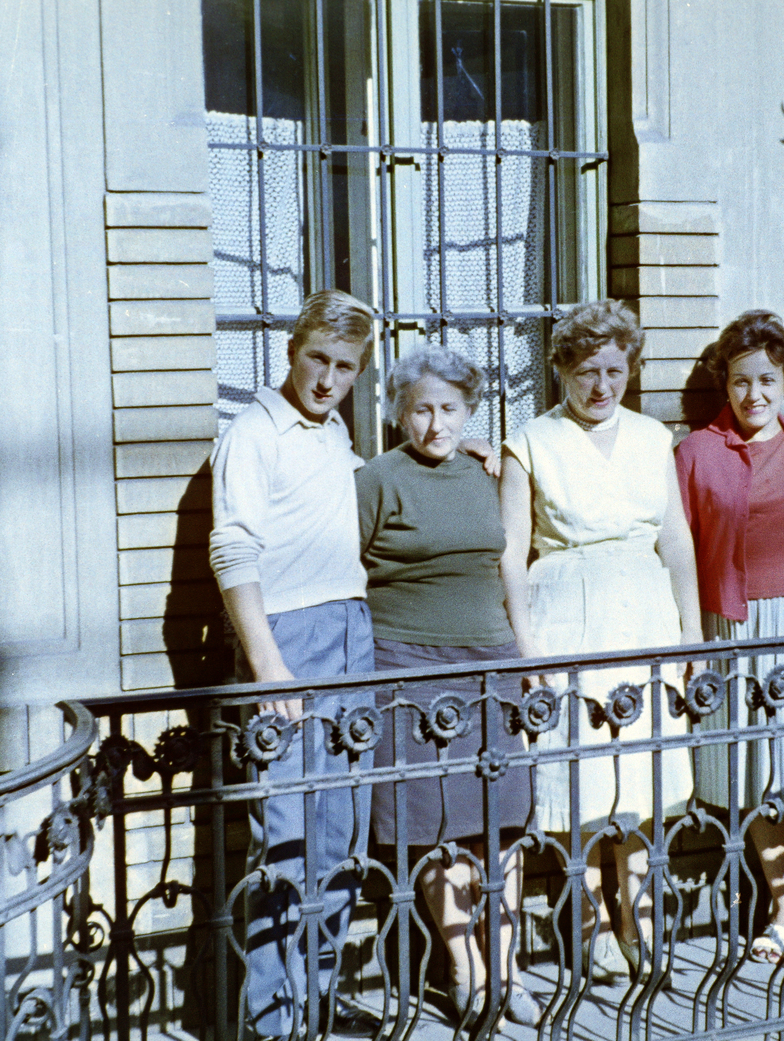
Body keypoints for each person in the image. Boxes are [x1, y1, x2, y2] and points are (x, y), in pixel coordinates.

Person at [498, 299, 701, 983]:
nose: (601, 386)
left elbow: (675, 539)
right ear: (561, 370)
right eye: (586, 371)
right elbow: (510, 552)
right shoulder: (531, 441)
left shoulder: (652, 437)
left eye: (614, 370)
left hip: (643, 615)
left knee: (640, 777)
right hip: (567, 616)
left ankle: (639, 920)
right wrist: (526, 649)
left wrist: (692, 631)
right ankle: (590, 928)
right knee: (580, 778)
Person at [208, 288, 381, 1038]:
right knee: (287, 834)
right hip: (288, 640)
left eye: (344, 367)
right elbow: (233, 549)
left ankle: (319, 990)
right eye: (317, 359)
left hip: (352, 629)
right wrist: (270, 665)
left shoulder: (335, 431)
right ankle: (271, 1019)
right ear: (291, 351)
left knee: (341, 827)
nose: (326, 379)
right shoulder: (253, 431)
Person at [356, 345, 540, 1026]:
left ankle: (509, 966)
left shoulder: (485, 473)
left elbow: (512, 557)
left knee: (501, 823)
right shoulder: (376, 479)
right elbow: (347, 571)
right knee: (435, 825)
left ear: (471, 411)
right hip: (407, 667)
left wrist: (522, 653)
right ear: (399, 414)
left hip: (490, 662)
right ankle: (465, 969)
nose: (437, 425)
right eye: (423, 410)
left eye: (451, 409)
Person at [674, 310, 784, 967]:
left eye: (768, 380)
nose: (754, 394)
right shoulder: (695, 452)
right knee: (759, 773)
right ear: (725, 384)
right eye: (742, 381)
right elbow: (677, 548)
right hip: (741, 625)